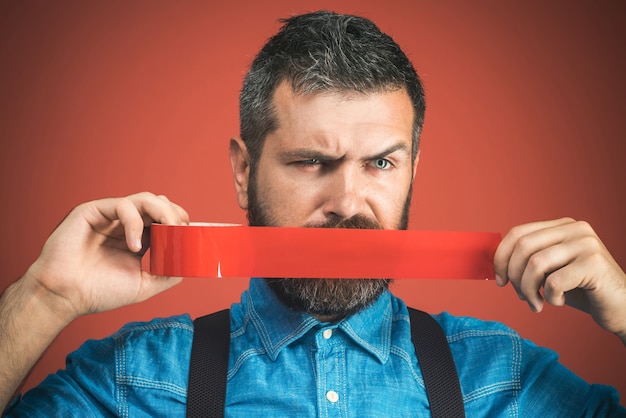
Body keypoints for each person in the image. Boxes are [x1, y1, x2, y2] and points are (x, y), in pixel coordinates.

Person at [1, 10, 625, 417]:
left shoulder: (502, 379)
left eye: (381, 163)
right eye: (310, 163)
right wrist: (44, 297)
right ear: (244, 172)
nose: (349, 204)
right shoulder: (134, 381)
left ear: (414, 168)